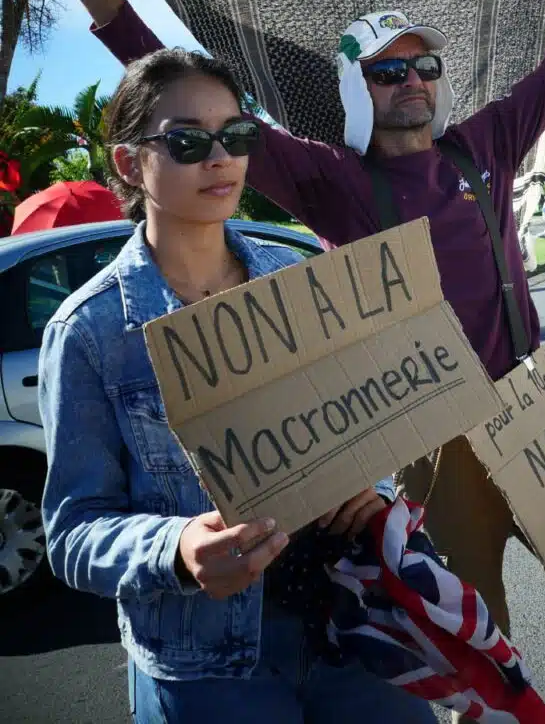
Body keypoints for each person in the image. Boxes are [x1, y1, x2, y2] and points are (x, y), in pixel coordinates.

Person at [49, 0, 545, 724]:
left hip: (539, 410)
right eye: (386, 71)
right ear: (356, 87)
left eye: (423, 66)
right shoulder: (332, 182)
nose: (411, 81)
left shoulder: (486, 142)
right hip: (431, 447)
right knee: (472, 675)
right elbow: (191, 112)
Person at [37, 46, 437, 724]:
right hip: (209, 668)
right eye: (188, 141)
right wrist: (177, 549)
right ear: (129, 164)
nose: (220, 157)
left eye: (237, 135)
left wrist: (369, 490)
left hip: (355, 625)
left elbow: (356, 425)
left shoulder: (294, 278)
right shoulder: (90, 331)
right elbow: (73, 531)